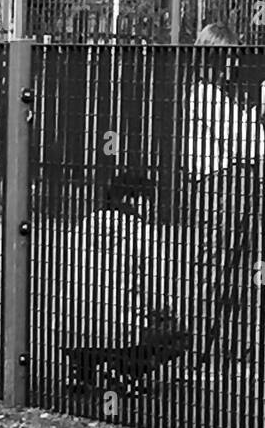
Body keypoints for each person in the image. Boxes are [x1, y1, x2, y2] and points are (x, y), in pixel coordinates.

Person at [183, 22, 265, 370]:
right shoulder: (206, 95)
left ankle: (236, 349)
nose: (234, 63)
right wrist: (254, 128)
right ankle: (205, 351)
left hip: (236, 183)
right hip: (221, 184)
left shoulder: (221, 96)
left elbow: (251, 143)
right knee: (215, 269)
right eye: (229, 55)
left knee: (238, 270)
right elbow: (247, 144)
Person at [64, 167, 191, 393]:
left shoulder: (81, 227)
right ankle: (124, 369)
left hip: (74, 329)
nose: (151, 208)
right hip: (121, 331)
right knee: (179, 334)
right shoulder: (142, 233)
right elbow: (156, 292)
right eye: (148, 201)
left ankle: (83, 369)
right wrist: (166, 312)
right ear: (133, 199)